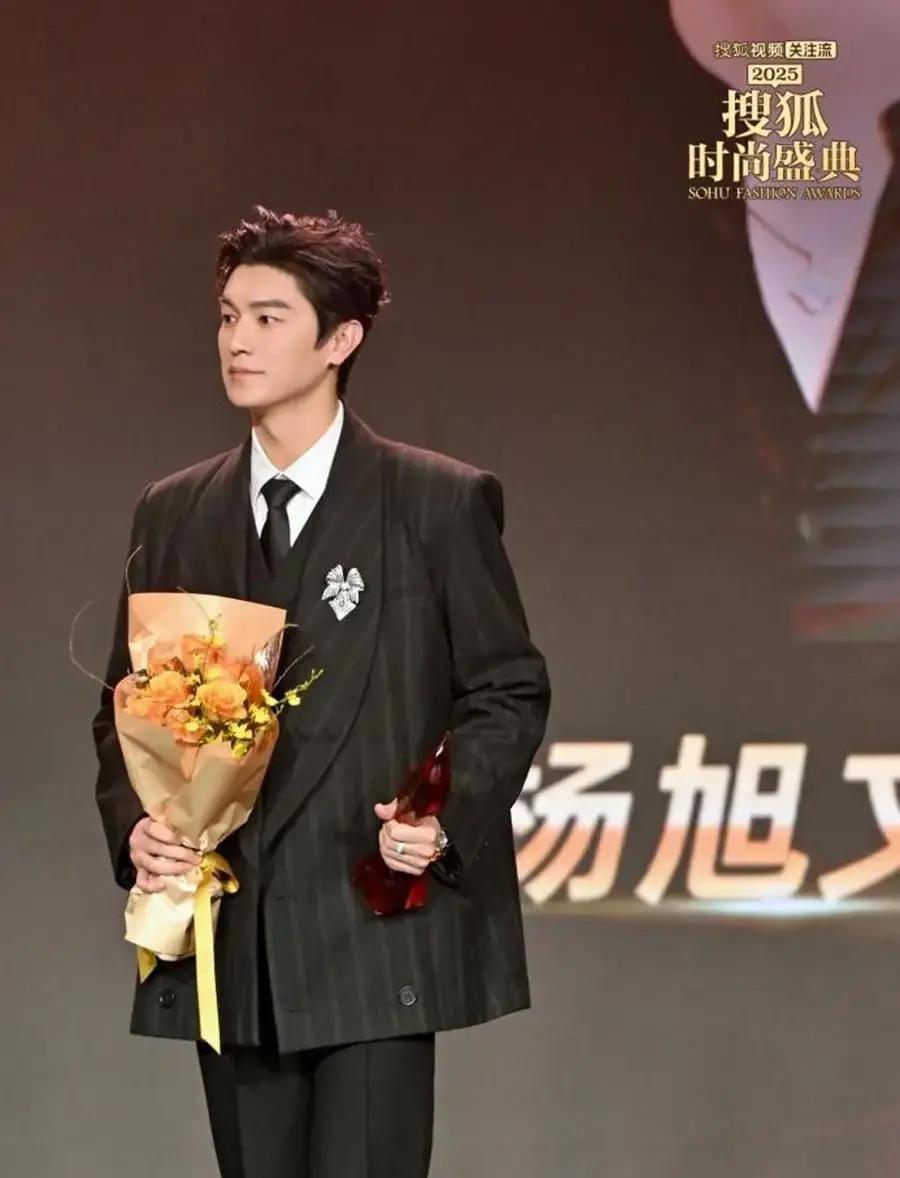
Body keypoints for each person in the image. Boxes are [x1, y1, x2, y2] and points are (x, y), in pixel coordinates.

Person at [92, 206, 551, 1178]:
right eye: (228, 316)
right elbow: (124, 703)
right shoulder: (174, 511)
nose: (238, 341)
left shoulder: (433, 501)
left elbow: (507, 687)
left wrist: (442, 813)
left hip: (371, 926)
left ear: (341, 339)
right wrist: (140, 826)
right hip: (234, 937)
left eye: (269, 318)